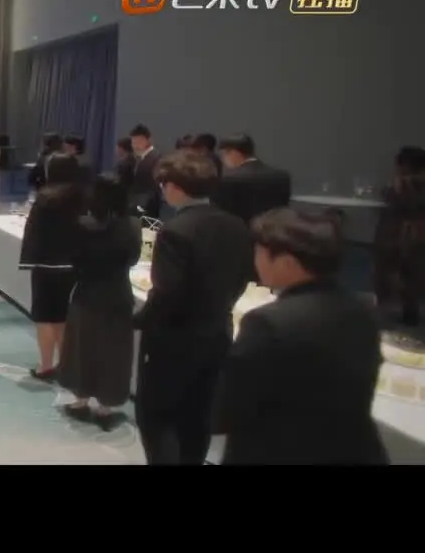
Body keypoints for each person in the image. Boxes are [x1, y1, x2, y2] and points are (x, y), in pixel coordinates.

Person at [210, 208, 387, 465]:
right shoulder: (363, 312)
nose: (254, 260)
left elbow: (228, 409)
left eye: (259, 252)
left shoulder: (268, 323)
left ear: (287, 262)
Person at [134, 150, 253, 465]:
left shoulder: (175, 230)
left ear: (174, 186)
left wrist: (140, 319)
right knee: (198, 418)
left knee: (158, 419)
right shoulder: (236, 225)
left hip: (173, 341)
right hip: (217, 332)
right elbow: (242, 278)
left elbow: (167, 293)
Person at [59, 175, 141, 430]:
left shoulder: (82, 225)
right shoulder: (133, 225)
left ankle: (81, 400)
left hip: (87, 293)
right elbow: (134, 259)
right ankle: (106, 406)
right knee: (114, 351)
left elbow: (74, 259)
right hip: (118, 293)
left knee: (82, 348)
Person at [19, 153, 85, 381]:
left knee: (45, 317)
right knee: (63, 316)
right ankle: (66, 366)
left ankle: (46, 365)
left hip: (45, 265)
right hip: (72, 265)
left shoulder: (44, 198)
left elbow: (33, 232)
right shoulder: (82, 196)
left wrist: (28, 259)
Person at [374, 145, 425, 327]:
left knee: (388, 269)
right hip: (416, 236)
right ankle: (409, 309)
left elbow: (397, 202)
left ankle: (386, 308)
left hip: (399, 235)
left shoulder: (404, 184)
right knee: (413, 272)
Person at [213, 133, 293, 228]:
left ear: (234, 153)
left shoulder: (227, 180)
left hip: (242, 233)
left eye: (223, 155)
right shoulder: (281, 176)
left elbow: (223, 217)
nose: (223, 159)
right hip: (275, 232)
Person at [127, 124, 162, 218]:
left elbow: (156, 185)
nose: (135, 146)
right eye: (133, 142)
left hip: (147, 207)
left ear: (148, 140)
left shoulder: (156, 158)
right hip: (137, 205)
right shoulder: (136, 158)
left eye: (139, 141)